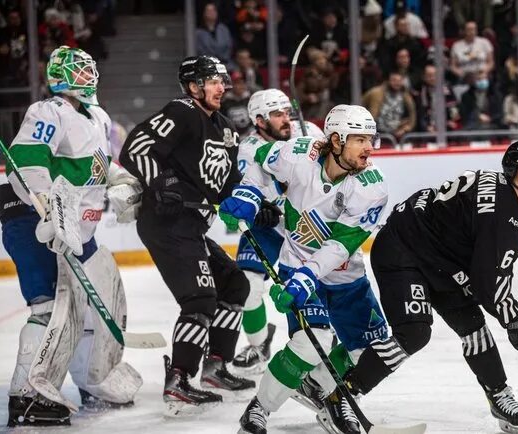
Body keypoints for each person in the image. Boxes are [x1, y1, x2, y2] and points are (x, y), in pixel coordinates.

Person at [340, 140, 518, 434]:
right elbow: (488, 285)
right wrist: (516, 317)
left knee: (475, 329)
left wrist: (514, 316)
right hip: (402, 250)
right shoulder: (504, 217)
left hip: (442, 261)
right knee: (414, 333)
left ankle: (498, 396)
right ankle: (345, 395)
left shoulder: (507, 204)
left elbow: (488, 277)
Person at [0, 46, 142, 427]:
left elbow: (102, 166)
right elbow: (27, 163)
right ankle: (26, 397)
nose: (89, 73)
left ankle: (91, 380)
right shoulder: (48, 111)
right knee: (49, 308)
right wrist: (47, 211)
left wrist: (124, 183)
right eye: (79, 69)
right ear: (61, 75)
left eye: (89, 67)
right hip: (35, 224)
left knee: (91, 311)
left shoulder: (99, 117)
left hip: (78, 232)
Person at [220, 104, 389, 434]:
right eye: (360, 140)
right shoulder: (298, 154)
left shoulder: (372, 186)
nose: (370, 148)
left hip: (343, 276)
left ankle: (326, 392)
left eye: (371, 139)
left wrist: (306, 277)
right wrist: (250, 193)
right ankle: (258, 410)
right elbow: (256, 156)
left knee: (371, 349)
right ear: (336, 140)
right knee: (313, 343)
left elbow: (339, 246)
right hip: (295, 262)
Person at [118, 55, 254, 416]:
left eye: (222, 80)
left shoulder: (224, 128)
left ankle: (215, 367)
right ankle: (179, 378)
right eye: (213, 81)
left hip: (192, 225)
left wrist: (253, 204)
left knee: (235, 285)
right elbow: (134, 149)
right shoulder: (181, 111)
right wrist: (161, 181)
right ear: (194, 86)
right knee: (199, 299)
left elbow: (227, 184)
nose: (221, 86)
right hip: (167, 223)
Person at [231, 88, 325, 374]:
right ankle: (258, 347)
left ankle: (317, 348)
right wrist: (259, 207)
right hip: (269, 228)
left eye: (287, 112)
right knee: (246, 286)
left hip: (306, 229)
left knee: (310, 292)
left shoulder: (308, 132)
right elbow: (252, 187)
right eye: (276, 114)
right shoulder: (248, 147)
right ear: (259, 120)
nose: (286, 119)